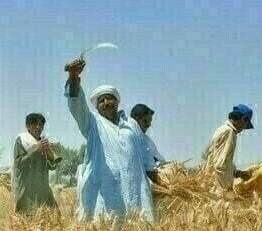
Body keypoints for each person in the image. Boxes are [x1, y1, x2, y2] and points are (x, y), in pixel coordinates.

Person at [64, 58, 155, 222]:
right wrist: (73, 77)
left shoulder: (131, 124)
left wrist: (166, 185)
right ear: (96, 106)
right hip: (106, 196)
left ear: (117, 101)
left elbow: (146, 156)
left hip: (135, 195)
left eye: (110, 98)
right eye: (101, 100)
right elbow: (77, 106)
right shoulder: (92, 124)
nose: (106, 103)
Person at [12, 113, 62, 213]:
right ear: (27, 126)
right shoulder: (22, 140)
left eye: (41, 125)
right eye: (35, 124)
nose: (38, 127)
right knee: (27, 219)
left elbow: (51, 167)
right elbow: (19, 164)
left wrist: (50, 153)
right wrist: (35, 150)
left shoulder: (43, 142)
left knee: (54, 217)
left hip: (43, 190)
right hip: (27, 193)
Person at [202, 104, 254, 192]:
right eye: (246, 125)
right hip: (218, 187)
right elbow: (220, 164)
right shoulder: (229, 132)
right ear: (243, 119)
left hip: (213, 183)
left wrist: (237, 173)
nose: (244, 128)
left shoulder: (223, 129)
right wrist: (227, 189)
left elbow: (223, 161)